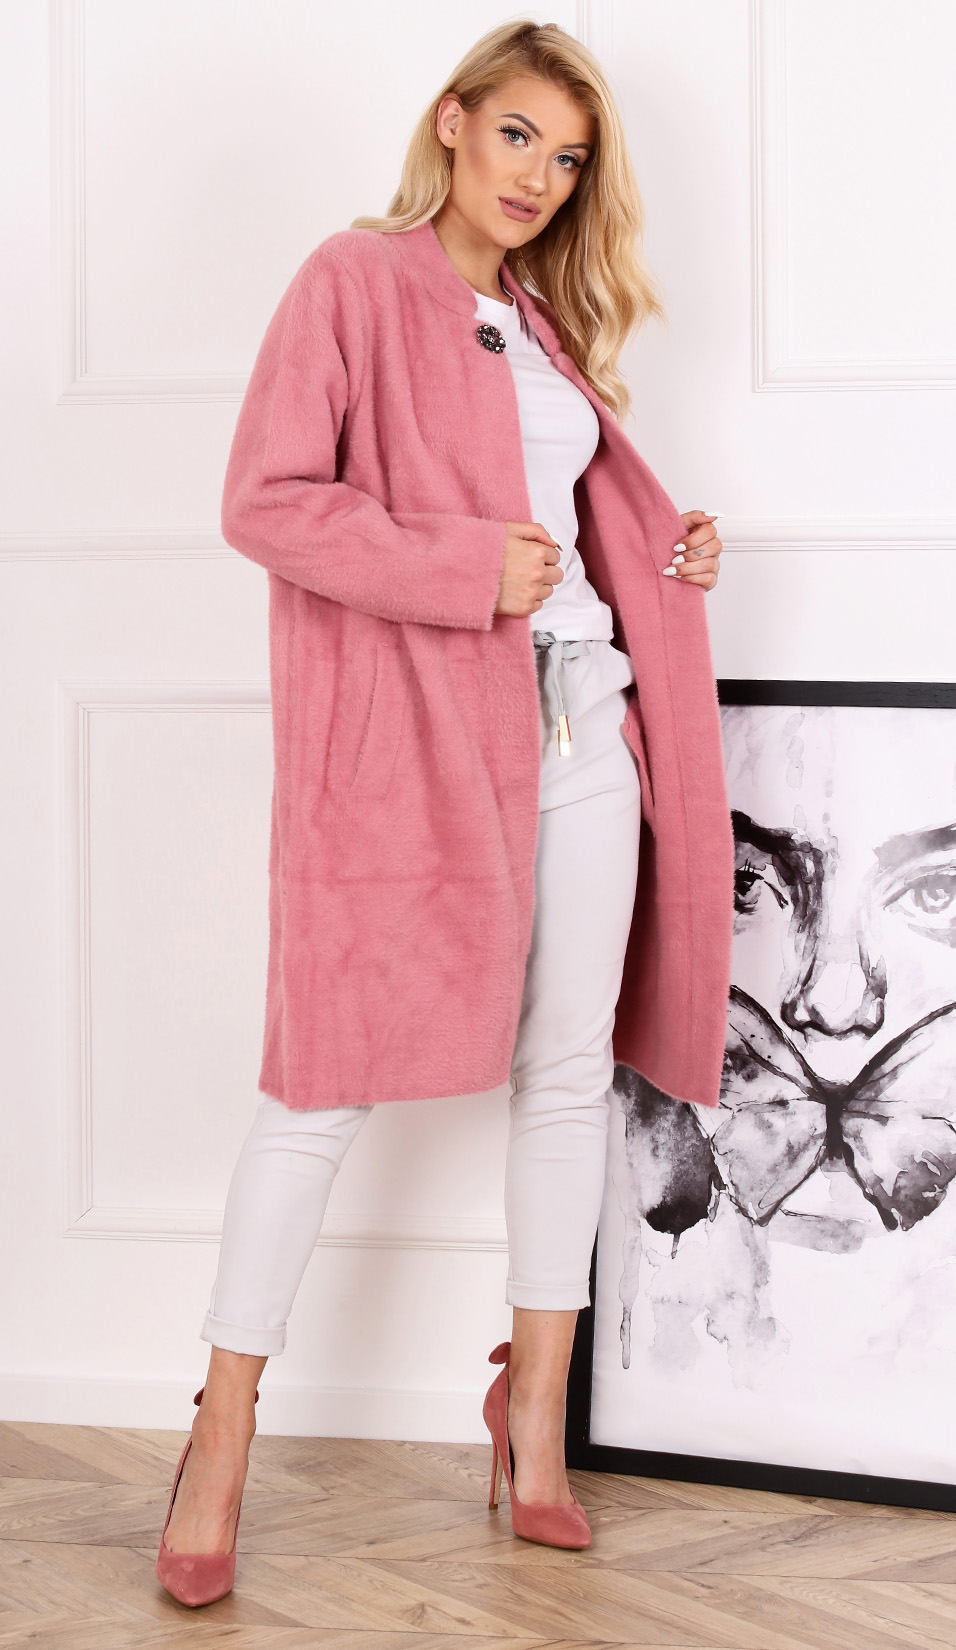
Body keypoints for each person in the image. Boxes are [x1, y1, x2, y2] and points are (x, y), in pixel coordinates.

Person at [155, 18, 729, 1607]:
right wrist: (463, 568)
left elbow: (563, 523)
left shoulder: (542, 322)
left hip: (585, 729)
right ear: (455, 122)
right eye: (520, 135)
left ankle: (531, 1422)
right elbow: (266, 501)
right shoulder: (354, 280)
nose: (540, 175)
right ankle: (220, 1430)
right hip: (419, 742)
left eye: (569, 157)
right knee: (320, 1076)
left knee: (565, 1074)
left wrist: (666, 547)